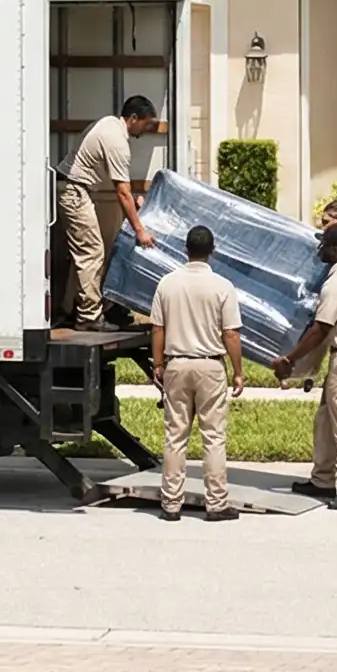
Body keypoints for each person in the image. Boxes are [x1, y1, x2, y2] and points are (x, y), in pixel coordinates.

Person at [270, 224, 337, 510]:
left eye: (323, 245)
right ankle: (322, 481)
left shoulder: (336, 284)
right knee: (326, 419)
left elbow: (320, 329)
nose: (319, 250)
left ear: (334, 249)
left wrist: (290, 360)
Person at [146, 223, 244, 522]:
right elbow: (231, 334)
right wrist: (238, 371)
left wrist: (158, 364)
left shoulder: (167, 283)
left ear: (185, 249)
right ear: (212, 252)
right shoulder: (222, 286)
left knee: (175, 436)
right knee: (213, 436)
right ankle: (216, 504)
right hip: (210, 365)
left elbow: (157, 328)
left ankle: (171, 504)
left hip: (176, 363)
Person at [61, 95, 160, 328]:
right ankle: (89, 317)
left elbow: (121, 187)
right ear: (133, 118)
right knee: (92, 253)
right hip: (75, 192)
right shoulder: (117, 141)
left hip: (76, 189)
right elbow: (122, 193)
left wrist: (134, 200)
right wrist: (140, 231)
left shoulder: (107, 124)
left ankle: (72, 308)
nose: (147, 129)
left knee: (87, 253)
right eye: (146, 124)